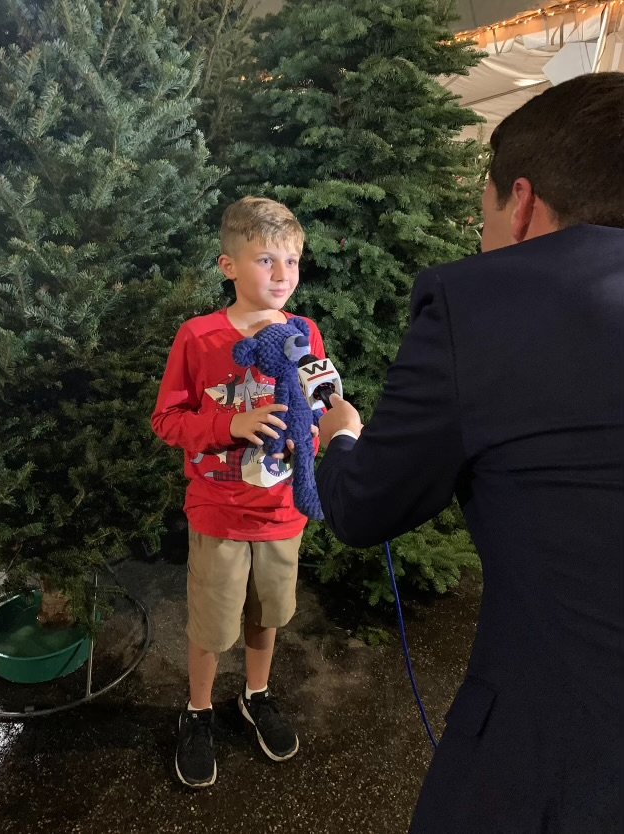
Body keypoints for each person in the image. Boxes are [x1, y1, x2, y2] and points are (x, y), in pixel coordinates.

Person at [316, 72, 624, 833]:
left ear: (520, 203)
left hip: (560, 760)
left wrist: (340, 437)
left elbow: (365, 505)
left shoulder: (482, 301)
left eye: (478, 214)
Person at [151, 196, 325, 788]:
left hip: (281, 513)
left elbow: (317, 406)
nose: (282, 275)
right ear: (229, 265)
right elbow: (167, 420)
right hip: (219, 513)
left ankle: (256, 694)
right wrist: (232, 424)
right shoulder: (199, 337)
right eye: (266, 260)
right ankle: (198, 710)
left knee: (268, 614)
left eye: (292, 261)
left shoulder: (305, 332)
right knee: (212, 625)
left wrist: (321, 436)